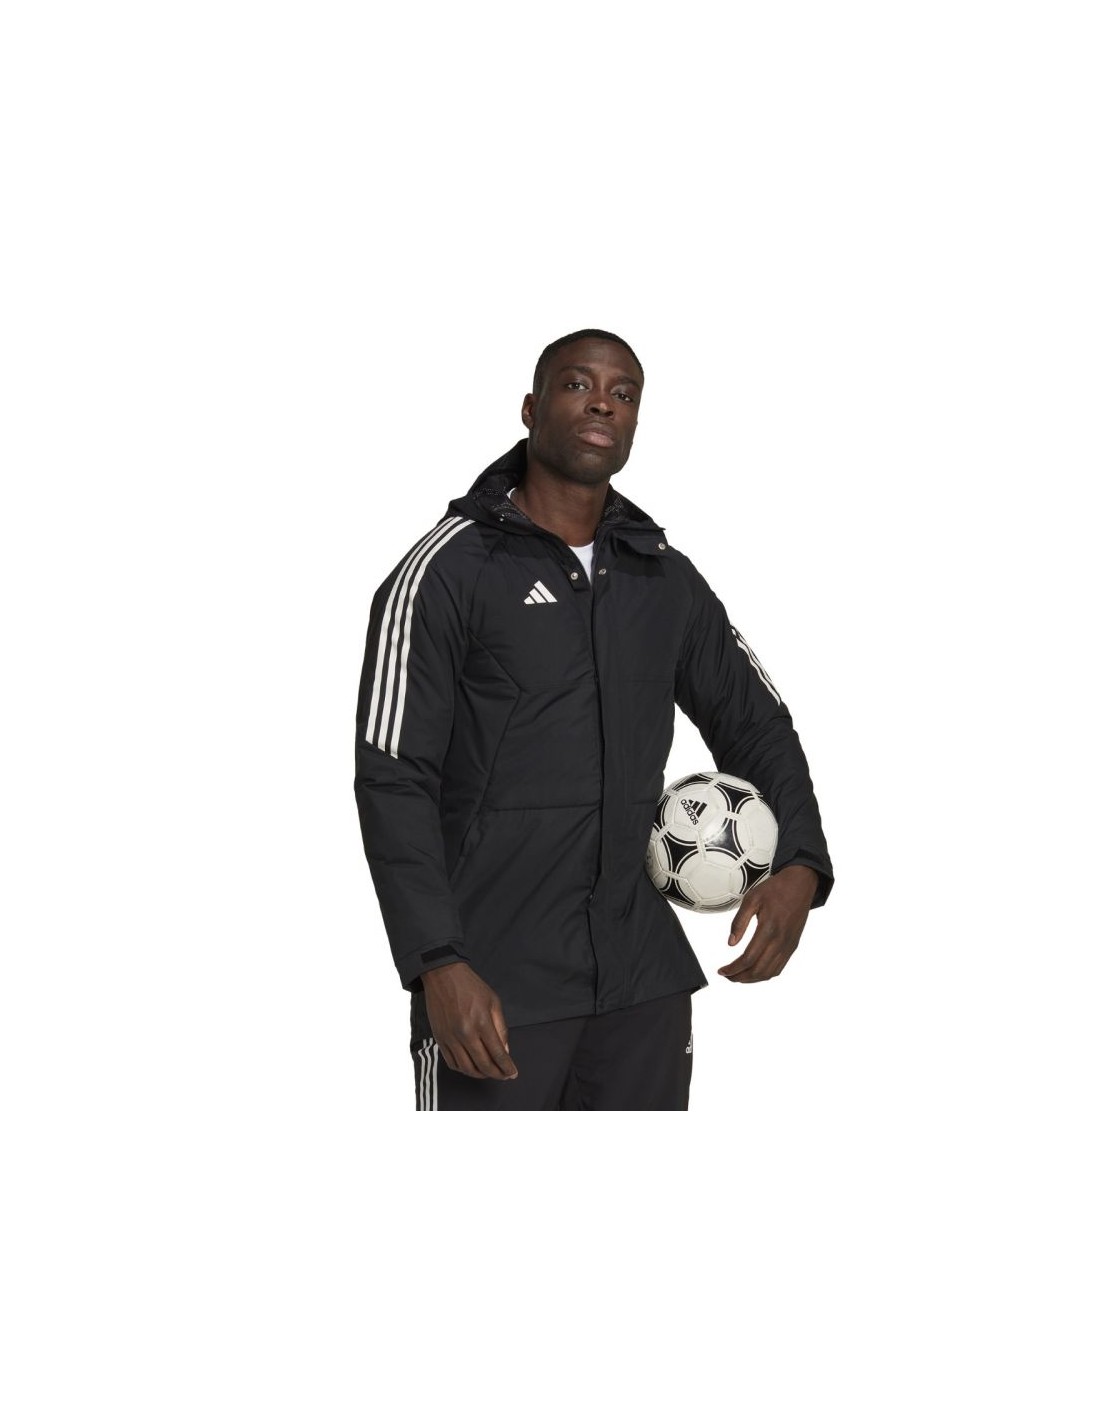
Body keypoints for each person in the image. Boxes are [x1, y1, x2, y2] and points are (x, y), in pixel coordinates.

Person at [354, 329, 832, 1110]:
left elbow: (757, 724)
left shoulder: (663, 577)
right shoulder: (444, 572)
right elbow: (393, 779)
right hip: (493, 989)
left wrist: (801, 864)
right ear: (531, 408)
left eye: (624, 392)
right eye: (578, 384)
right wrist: (435, 961)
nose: (603, 402)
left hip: (641, 984)